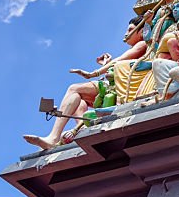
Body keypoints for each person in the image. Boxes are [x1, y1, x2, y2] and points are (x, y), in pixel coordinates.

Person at [22, 15, 147, 150]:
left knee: (74, 89)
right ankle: (80, 132)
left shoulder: (142, 44)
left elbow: (119, 62)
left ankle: (54, 137)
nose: (126, 33)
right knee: (78, 101)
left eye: (130, 30)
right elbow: (116, 66)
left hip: (121, 89)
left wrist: (94, 73)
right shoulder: (134, 48)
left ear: (141, 32)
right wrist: (106, 64)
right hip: (113, 86)